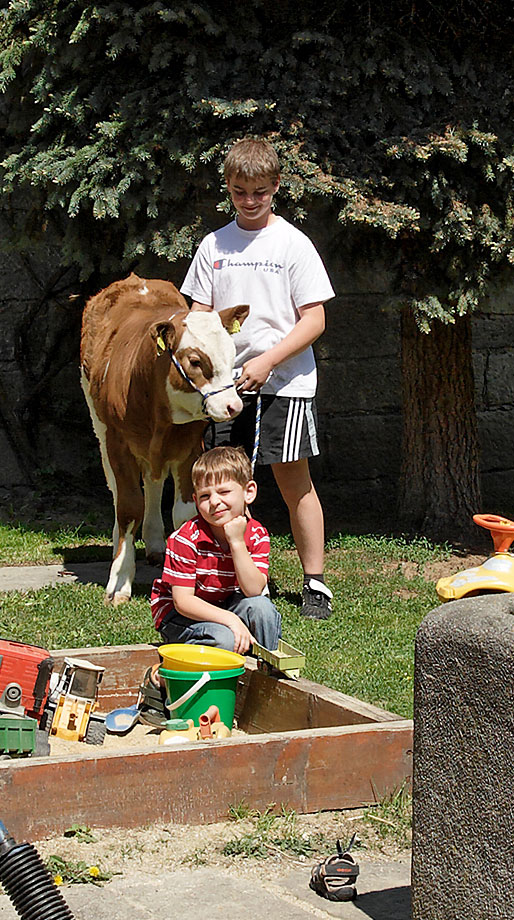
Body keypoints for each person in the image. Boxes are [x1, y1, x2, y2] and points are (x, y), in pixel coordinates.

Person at [182, 136, 338, 619]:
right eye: (239, 192)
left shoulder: (293, 244)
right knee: (222, 485)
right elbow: (199, 317)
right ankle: (235, 578)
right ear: (227, 188)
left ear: (275, 188)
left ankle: (315, 583)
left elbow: (314, 320)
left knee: (294, 484)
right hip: (226, 390)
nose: (249, 202)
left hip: (283, 384)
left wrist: (268, 360)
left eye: (259, 192)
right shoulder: (214, 245)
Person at [147, 447, 282, 654]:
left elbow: (254, 591)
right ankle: (169, 671)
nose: (214, 502)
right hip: (179, 616)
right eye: (204, 496)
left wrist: (237, 542)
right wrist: (231, 620)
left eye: (224, 492)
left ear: (249, 492)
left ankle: (266, 671)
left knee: (262, 609)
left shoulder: (256, 534)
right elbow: (183, 602)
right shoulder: (185, 539)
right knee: (223, 639)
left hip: (223, 604)